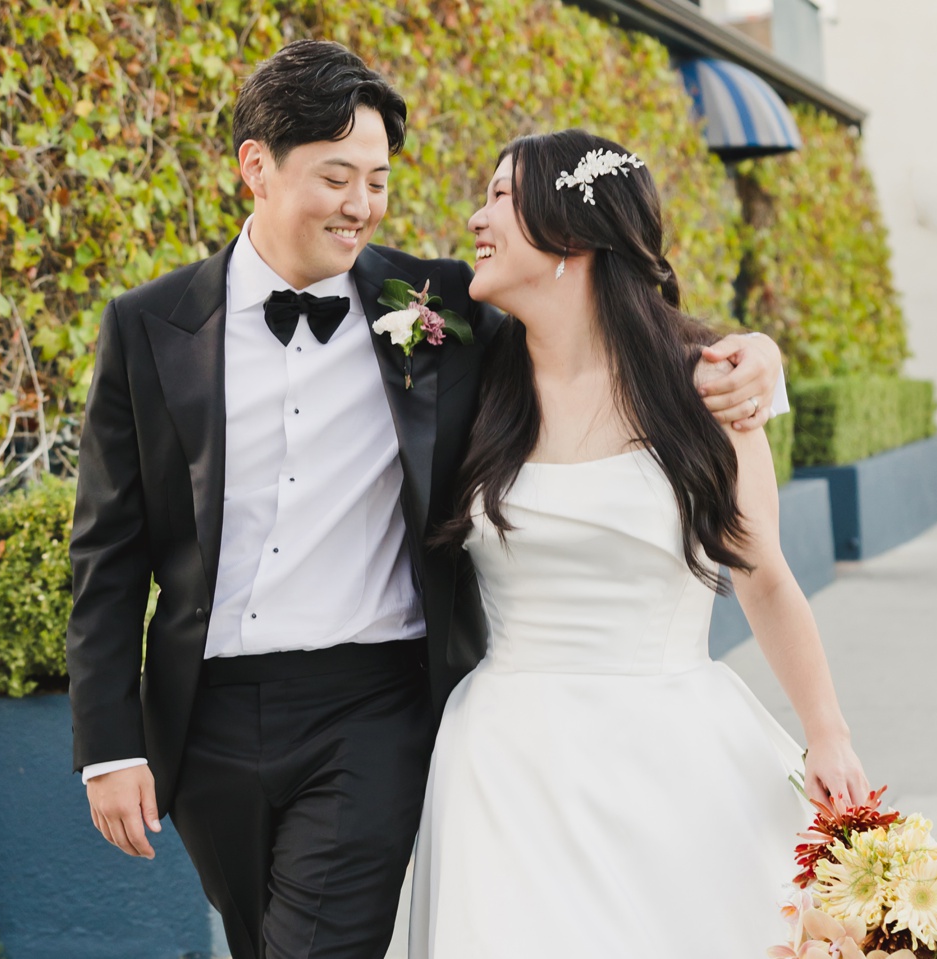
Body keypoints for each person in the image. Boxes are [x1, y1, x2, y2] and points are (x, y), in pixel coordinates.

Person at [66, 42, 787, 959]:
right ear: (256, 166)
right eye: (336, 177)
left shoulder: (436, 302)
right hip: (209, 712)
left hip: (373, 702)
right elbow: (108, 552)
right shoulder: (149, 324)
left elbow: (604, 317)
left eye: (377, 179)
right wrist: (108, 741)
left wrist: (751, 351)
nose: (362, 204)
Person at [407, 130, 869, 958]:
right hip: (505, 767)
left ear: (575, 234)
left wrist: (826, 729)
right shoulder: (471, 377)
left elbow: (764, 580)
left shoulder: (708, 387)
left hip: (673, 755)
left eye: (502, 196)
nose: (476, 216)